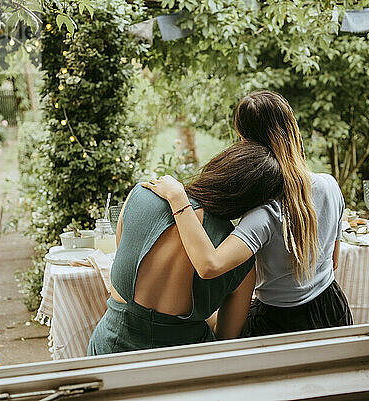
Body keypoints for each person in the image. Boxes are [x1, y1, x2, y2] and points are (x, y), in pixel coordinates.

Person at [143, 90, 352, 337]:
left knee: (210, 321)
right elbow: (333, 261)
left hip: (278, 325)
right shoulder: (330, 185)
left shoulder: (264, 213)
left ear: (244, 142)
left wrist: (178, 199)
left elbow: (209, 266)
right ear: (293, 129)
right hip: (332, 311)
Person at [88, 141, 284, 356]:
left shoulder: (139, 196)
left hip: (110, 352)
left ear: (216, 166)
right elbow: (225, 337)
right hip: (183, 365)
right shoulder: (241, 263)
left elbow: (125, 266)